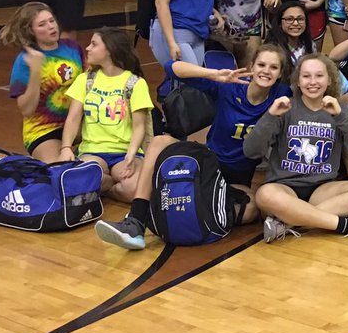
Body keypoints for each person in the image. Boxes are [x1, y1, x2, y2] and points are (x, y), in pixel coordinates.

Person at [93, 46, 291, 250]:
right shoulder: (229, 86)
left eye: (273, 67)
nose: (266, 71)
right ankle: (136, 220)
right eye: (261, 64)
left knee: (251, 209)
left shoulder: (283, 94)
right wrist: (213, 74)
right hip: (206, 163)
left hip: (234, 179)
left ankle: (173, 213)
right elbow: (171, 67)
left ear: (280, 73)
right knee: (160, 142)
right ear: (251, 67)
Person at [244, 54, 348, 244]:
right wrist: (270, 116)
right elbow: (251, 151)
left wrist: (341, 116)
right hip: (284, 188)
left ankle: (289, 222)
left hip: (322, 189)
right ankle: (346, 225)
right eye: (306, 76)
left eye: (319, 76)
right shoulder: (285, 107)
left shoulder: (338, 109)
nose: (313, 82)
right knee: (264, 195)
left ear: (329, 80)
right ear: (298, 81)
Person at [59, 28, 153, 202]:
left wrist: (131, 154)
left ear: (110, 50)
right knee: (78, 180)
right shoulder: (85, 80)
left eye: (94, 44)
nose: (87, 48)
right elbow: (72, 119)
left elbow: (139, 126)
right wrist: (65, 148)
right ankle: (107, 182)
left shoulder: (135, 83)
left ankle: (105, 189)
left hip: (124, 152)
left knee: (135, 190)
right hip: (92, 151)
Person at [1, 2, 83, 162]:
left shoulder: (73, 48)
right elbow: (27, 110)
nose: (51, 26)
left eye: (52, 21)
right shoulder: (25, 60)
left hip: (78, 123)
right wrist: (36, 71)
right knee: (59, 169)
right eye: (42, 24)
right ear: (31, 31)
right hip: (44, 129)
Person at [265, 1, 315, 75]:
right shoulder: (272, 49)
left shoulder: (310, 45)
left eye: (300, 19)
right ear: (279, 23)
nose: (295, 23)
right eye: (289, 19)